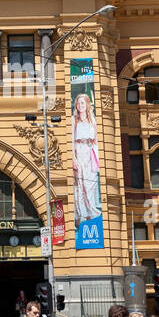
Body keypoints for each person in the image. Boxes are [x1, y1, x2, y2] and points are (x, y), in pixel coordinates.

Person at [70, 91, 101, 224]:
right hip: (79, 151)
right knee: (80, 184)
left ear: (87, 104)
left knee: (90, 184)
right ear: (76, 105)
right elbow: (71, 140)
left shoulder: (92, 120)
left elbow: (96, 140)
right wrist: (73, 158)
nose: (80, 105)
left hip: (90, 153)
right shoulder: (73, 120)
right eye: (78, 103)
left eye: (83, 103)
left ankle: (90, 211)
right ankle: (81, 214)